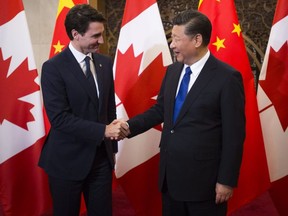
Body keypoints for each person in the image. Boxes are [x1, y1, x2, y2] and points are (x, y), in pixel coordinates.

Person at [119, 9, 245, 216]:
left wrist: (226, 180)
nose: (172, 45)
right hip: (170, 178)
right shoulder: (173, 70)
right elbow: (161, 110)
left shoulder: (227, 78)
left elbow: (234, 135)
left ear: (197, 40)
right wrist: (127, 127)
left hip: (205, 183)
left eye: (177, 39)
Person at [39, 4, 128, 216]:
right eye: (95, 36)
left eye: (102, 34)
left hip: (101, 161)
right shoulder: (53, 68)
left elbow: (108, 110)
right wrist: (103, 131)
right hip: (66, 161)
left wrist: (112, 150)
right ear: (75, 34)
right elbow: (59, 119)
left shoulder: (104, 64)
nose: (102, 41)